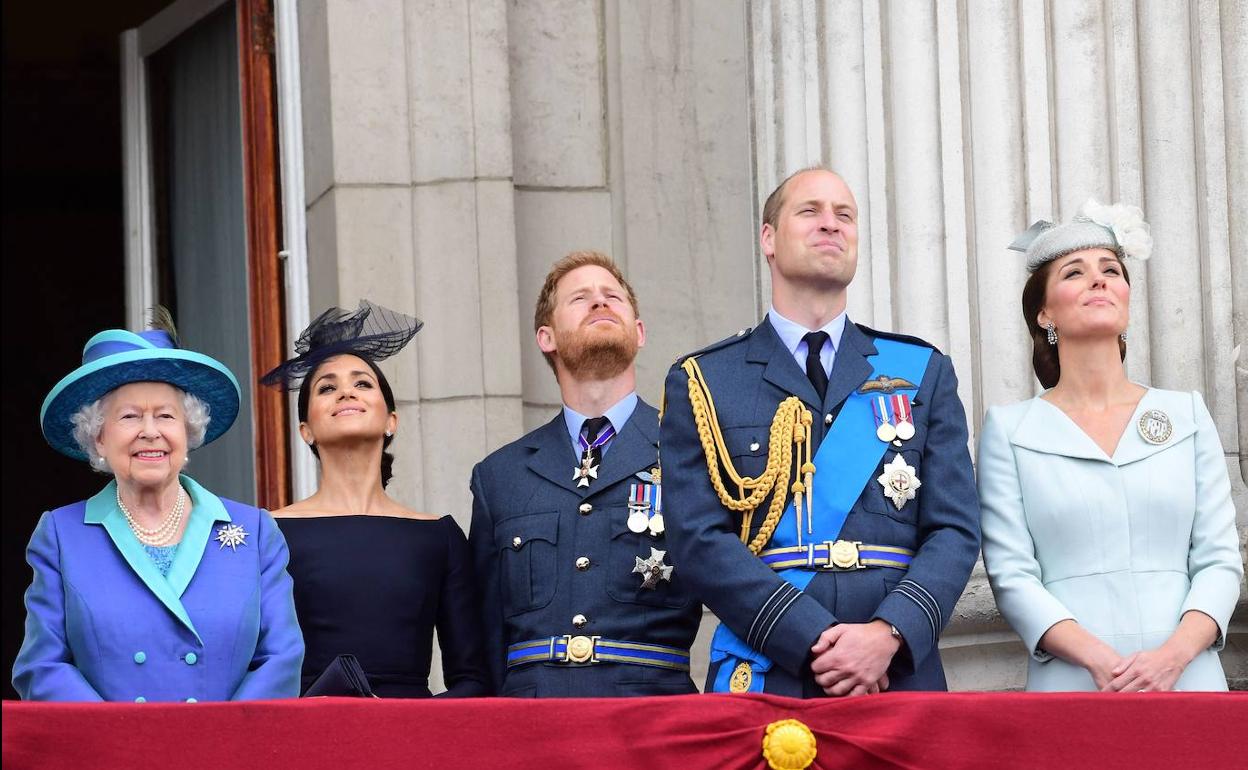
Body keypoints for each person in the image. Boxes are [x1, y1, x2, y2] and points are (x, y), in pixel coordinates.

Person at [660, 168, 980, 697]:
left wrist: (887, 633)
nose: (831, 224)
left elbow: (955, 529)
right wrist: (813, 636)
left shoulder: (923, 370)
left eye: (845, 215)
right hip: (771, 666)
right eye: (810, 211)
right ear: (768, 237)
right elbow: (697, 540)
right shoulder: (706, 379)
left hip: (894, 671)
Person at [978, 200, 1243, 691]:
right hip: (1074, 681)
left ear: (1126, 298)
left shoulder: (1186, 413)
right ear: (1044, 313)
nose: (1098, 280)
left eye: (1111, 269)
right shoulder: (1010, 429)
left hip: (1187, 677)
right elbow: (1012, 574)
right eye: (1074, 272)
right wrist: (1102, 662)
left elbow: (1219, 560)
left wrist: (1171, 658)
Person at [14, 315, 303, 702]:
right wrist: (122, 743)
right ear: (98, 438)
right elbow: (42, 667)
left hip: (225, 756)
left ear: (188, 432)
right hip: (110, 756)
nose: (150, 431)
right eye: (130, 416)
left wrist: (224, 743)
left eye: (166, 415)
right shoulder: (61, 534)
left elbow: (281, 660)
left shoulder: (255, 530)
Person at [469, 252, 702, 697]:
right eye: (580, 298)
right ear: (547, 337)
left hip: (652, 719)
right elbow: (484, 636)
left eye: (612, 297)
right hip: (534, 725)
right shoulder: (500, 476)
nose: (600, 303)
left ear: (639, 332)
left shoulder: (690, 452)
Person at [261, 301, 488, 698]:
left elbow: (473, 678)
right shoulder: (269, 532)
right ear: (306, 430)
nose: (345, 391)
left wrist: (412, 726)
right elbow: (253, 663)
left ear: (390, 421)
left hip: (412, 745)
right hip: (304, 742)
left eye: (362, 383)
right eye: (327, 387)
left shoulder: (440, 536)